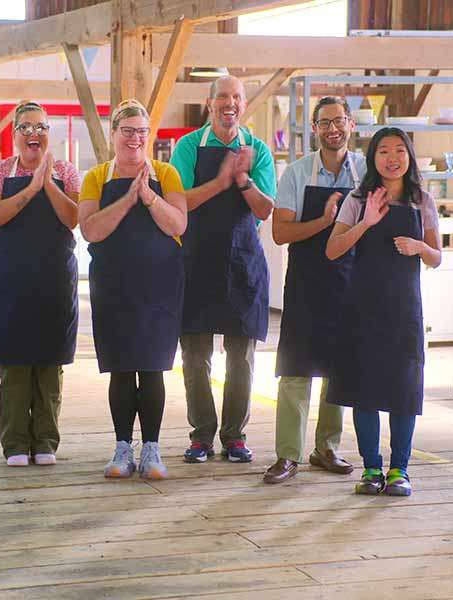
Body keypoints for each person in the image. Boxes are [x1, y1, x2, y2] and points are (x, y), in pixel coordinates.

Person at [325, 127, 442, 497]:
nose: (392, 158)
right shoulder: (358, 199)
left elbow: (437, 257)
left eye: (399, 151)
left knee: (403, 389)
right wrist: (366, 223)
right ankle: (371, 468)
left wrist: (419, 245)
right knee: (364, 389)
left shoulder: (423, 200)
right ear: (372, 159)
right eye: (384, 152)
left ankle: (400, 470)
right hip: (362, 306)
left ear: (409, 156)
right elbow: (332, 250)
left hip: (404, 308)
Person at [169, 75, 276, 464]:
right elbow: (180, 202)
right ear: (208, 102)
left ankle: (234, 436)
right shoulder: (188, 147)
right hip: (195, 261)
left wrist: (243, 179)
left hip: (243, 262)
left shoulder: (259, 150)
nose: (229, 103)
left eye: (236, 97)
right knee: (195, 357)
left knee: (241, 358)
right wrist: (220, 181)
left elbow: (265, 209)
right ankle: (201, 436)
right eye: (222, 97)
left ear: (243, 104)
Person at [79, 100, 187, 479]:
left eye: (141, 131)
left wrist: (149, 197)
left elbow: (177, 225)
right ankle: (123, 448)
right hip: (113, 285)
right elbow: (90, 230)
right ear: (113, 135)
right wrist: (127, 199)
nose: (135, 138)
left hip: (159, 285)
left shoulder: (166, 173)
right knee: (122, 368)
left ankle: (153, 450)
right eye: (127, 131)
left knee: (153, 367)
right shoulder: (96, 177)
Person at [263, 96, 364, 484]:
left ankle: (327, 449)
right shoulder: (297, 173)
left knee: (337, 369)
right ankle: (287, 454)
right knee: (296, 368)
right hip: (307, 282)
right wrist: (325, 222)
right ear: (315, 129)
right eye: (324, 123)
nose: (332, 129)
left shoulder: (366, 173)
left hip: (351, 281)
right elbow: (281, 231)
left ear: (351, 124)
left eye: (339, 121)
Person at [0, 101, 80, 467]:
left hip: (53, 278)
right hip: (8, 278)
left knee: (50, 365)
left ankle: (46, 441)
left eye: (40, 127)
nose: (33, 133)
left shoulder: (66, 170)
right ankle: (16, 443)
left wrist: (47, 184)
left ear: (48, 133)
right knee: (14, 364)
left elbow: (73, 218)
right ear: (15, 133)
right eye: (25, 127)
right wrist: (30, 188)